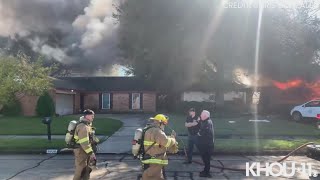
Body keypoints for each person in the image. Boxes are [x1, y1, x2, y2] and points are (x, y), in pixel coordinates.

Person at [142, 114, 179, 180]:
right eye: (164, 124)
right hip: (155, 160)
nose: (164, 126)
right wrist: (173, 138)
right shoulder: (158, 131)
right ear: (160, 123)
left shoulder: (149, 130)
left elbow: (158, 141)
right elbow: (167, 142)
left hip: (149, 158)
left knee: (151, 176)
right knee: (154, 177)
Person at [73, 109, 99, 180]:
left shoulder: (87, 125)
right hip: (81, 151)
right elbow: (84, 142)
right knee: (81, 170)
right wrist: (91, 153)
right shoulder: (83, 127)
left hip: (85, 150)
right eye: (92, 116)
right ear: (87, 116)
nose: (93, 117)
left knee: (86, 170)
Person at [196, 110, 214, 178]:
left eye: (201, 115)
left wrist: (199, 133)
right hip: (205, 145)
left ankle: (207, 173)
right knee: (205, 159)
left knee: (206, 160)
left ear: (205, 116)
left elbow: (203, 132)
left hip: (207, 146)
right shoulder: (205, 121)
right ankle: (205, 170)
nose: (200, 115)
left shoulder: (208, 123)